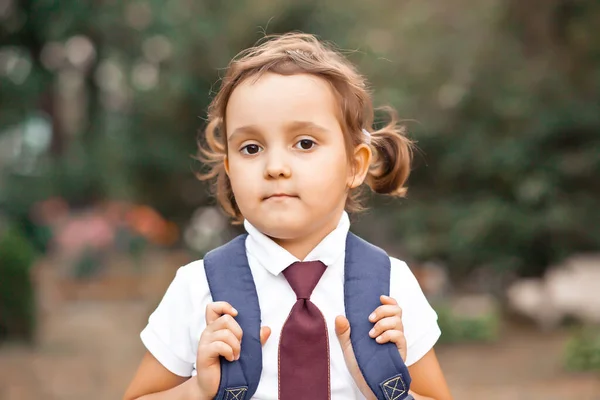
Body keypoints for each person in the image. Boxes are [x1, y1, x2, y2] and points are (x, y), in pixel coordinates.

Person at [123, 32, 452, 400]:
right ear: (230, 168)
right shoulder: (198, 288)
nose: (275, 167)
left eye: (305, 143)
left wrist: (388, 391)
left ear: (355, 165)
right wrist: (196, 393)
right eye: (251, 148)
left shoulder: (391, 288)